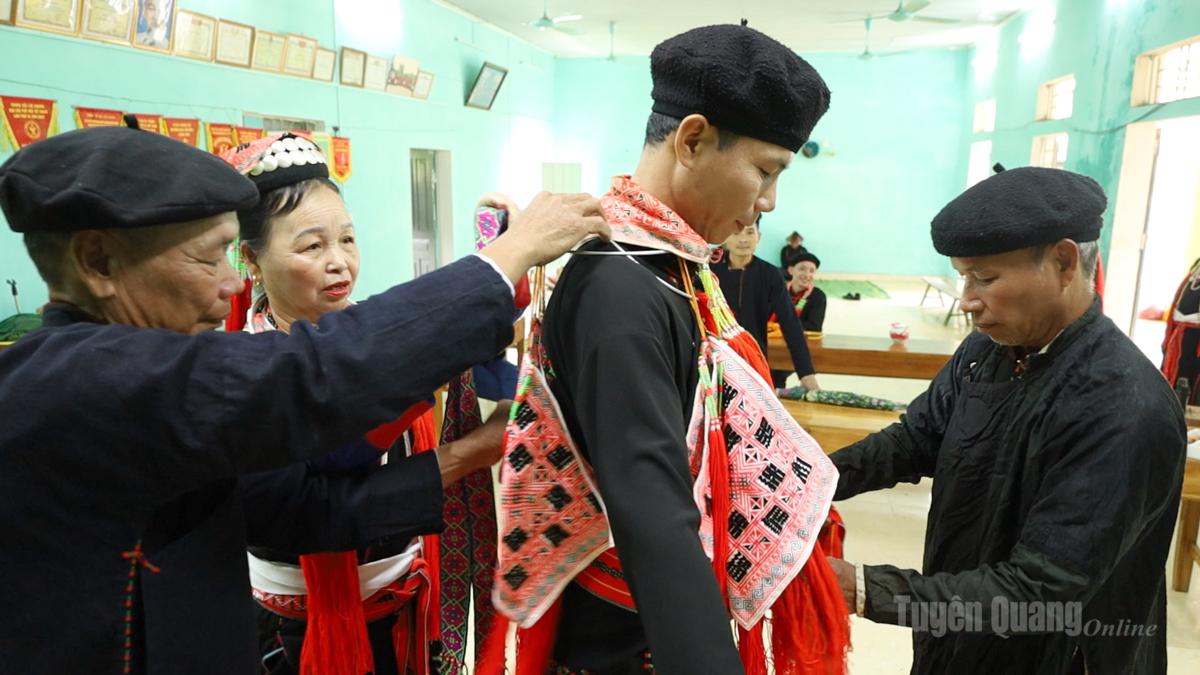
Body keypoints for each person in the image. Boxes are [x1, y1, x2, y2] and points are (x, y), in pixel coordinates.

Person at [0, 124, 609, 673]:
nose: (231, 284)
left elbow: (286, 507)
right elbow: (311, 376)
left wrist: (475, 448)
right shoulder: (80, 378)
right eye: (208, 257)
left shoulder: (138, 367)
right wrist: (505, 259)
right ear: (98, 261)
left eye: (345, 240)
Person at [488, 24, 847, 675]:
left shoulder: (675, 265)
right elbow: (652, 511)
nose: (767, 202)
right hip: (627, 645)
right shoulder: (620, 286)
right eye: (765, 172)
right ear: (693, 139)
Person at [827, 167, 1187, 674]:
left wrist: (862, 589)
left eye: (985, 278)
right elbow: (915, 439)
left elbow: (1037, 592)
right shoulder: (989, 350)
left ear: (1063, 262)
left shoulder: (1123, 407)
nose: (968, 300)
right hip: (959, 636)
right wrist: (809, 483)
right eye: (963, 277)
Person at [221, 132, 493, 674]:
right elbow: (319, 502)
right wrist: (469, 454)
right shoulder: (240, 370)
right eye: (311, 246)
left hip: (403, 607)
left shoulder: (385, 339)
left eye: (347, 240)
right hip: (291, 630)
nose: (339, 262)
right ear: (252, 258)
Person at [713, 217, 819, 390]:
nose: (743, 239)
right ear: (725, 237)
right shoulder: (709, 271)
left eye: (749, 232)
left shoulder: (770, 275)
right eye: (736, 233)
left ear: (758, 237)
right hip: (715, 359)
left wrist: (806, 373)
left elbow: (790, 323)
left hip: (755, 360)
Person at [1162, 256, 1200, 404]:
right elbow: (1174, 310)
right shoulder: (1193, 274)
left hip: (1195, 343)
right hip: (1179, 336)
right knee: (1173, 381)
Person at [784, 250, 826, 332]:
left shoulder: (817, 296)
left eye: (811, 271)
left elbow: (815, 327)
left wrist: (782, 325)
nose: (807, 275)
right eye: (802, 269)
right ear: (791, 270)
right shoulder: (778, 291)